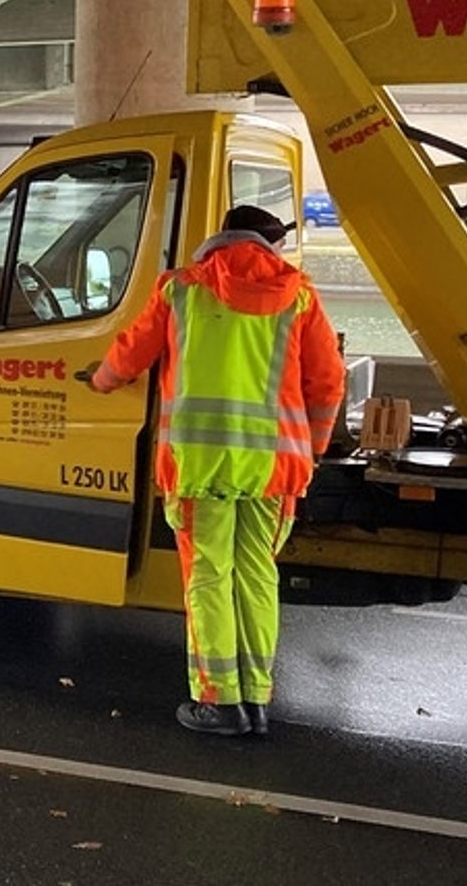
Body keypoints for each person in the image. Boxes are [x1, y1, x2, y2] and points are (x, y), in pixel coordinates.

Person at [87, 204, 345, 738]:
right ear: (268, 244)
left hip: (199, 467)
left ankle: (218, 702)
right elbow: (327, 382)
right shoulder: (298, 296)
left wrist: (100, 381)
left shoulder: (181, 289)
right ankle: (256, 700)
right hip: (274, 470)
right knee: (257, 574)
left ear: (219, 239)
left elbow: (130, 354)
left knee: (209, 576)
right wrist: (311, 448)